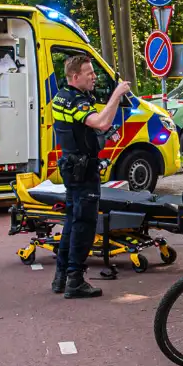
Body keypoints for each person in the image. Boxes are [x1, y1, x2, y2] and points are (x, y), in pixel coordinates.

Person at [50, 54, 132, 299]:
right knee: (84, 226)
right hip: (83, 170)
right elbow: (100, 122)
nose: (94, 77)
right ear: (75, 77)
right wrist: (117, 94)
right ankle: (75, 280)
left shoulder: (62, 96)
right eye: (89, 73)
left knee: (71, 223)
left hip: (72, 166)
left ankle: (61, 276)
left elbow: (99, 127)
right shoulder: (76, 100)